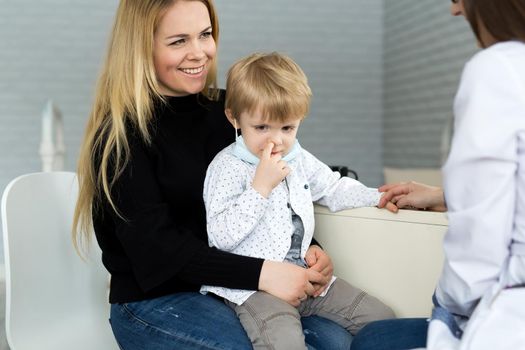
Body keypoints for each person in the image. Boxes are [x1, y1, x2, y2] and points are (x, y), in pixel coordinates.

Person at [72, 1, 356, 349]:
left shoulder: (232, 114)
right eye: (178, 41)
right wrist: (264, 274)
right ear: (141, 47)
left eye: (205, 35)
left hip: (237, 289)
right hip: (158, 300)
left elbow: (279, 194)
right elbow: (158, 251)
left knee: (340, 342)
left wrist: (309, 248)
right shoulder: (121, 137)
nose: (199, 53)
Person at [351, 0, 525, 349]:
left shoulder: (499, 68)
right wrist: (446, 195)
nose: (454, 10)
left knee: (372, 341)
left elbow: (476, 257)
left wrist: (445, 302)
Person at [199, 52, 396, 349]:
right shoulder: (227, 166)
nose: (275, 140)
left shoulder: (298, 158)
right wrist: (260, 188)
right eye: (262, 127)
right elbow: (221, 237)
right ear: (234, 117)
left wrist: (380, 195)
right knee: (284, 343)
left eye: (287, 128)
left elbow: (333, 187)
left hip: (306, 278)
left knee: (383, 319)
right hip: (254, 289)